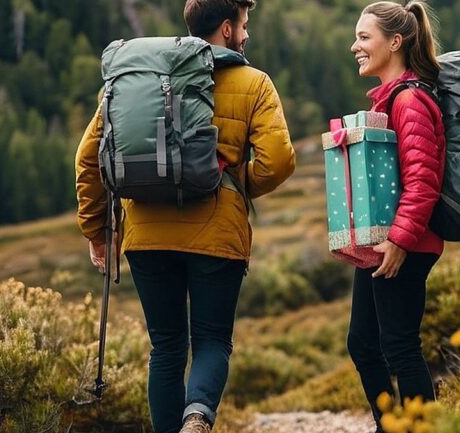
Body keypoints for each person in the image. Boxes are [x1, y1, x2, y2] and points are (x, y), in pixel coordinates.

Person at [74, 0, 296, 431]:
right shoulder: (254, 82)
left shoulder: (131, 80)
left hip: (146, 235)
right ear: (227, 29)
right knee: (212, 339)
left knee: (166, 347)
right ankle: (198, 415)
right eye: (245, 25)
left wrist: (97, 231)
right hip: (217, 234)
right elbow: (279, 161)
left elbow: (88, 160)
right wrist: (234, 187)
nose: (247, 35)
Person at [347, 1, 445, 430]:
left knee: (399, 346)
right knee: (364, 344)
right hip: (385, 243)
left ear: (395, 41)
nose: (355, 46)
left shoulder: (409, 101)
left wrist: (401, 240)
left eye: (364, 37)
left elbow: (424, 180)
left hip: (405, 243)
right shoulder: (392, 99)